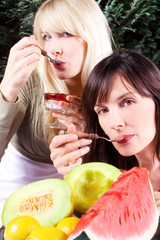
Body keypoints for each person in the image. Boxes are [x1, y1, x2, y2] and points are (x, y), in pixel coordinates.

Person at [0, 0, 112, 223]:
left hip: (78, 197)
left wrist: (91, 133)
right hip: (13, 197)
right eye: (47, 36)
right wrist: (7, 89)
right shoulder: (30, 79)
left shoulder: (113, 85)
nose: (53, 48)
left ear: (91, 34)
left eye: (66, 34)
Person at [51, 49, 160, 212]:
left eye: (127, 102)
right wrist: (73, 178)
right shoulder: (107, 172)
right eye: (103, 110)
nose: (115, 123)